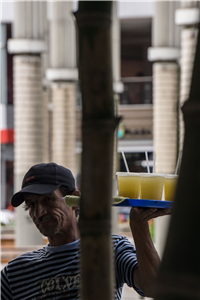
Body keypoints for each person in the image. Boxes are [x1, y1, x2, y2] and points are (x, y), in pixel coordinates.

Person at [0, 162, 170, 300]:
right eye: (31, 205)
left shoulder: (110, 248)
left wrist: (139, 226)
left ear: (74, 200)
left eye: (48, 200)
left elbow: (154, 288)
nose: (38, 212)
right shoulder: (16, 272)